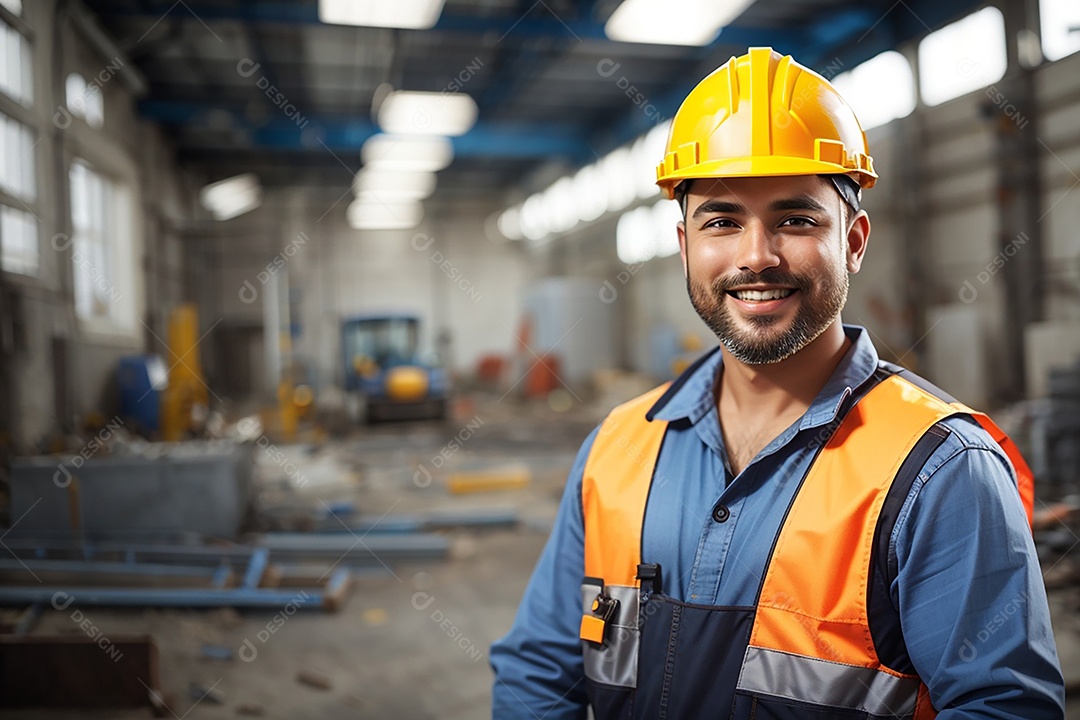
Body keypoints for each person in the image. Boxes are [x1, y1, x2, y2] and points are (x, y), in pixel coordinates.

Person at [489, 47, 1064, 719]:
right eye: (722, 221)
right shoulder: (616, 450)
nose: (756, 256)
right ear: (684, 246)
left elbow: (1003, 708)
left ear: (853, 240)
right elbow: (538, 672)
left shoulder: (940, 471)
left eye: (795, 219)